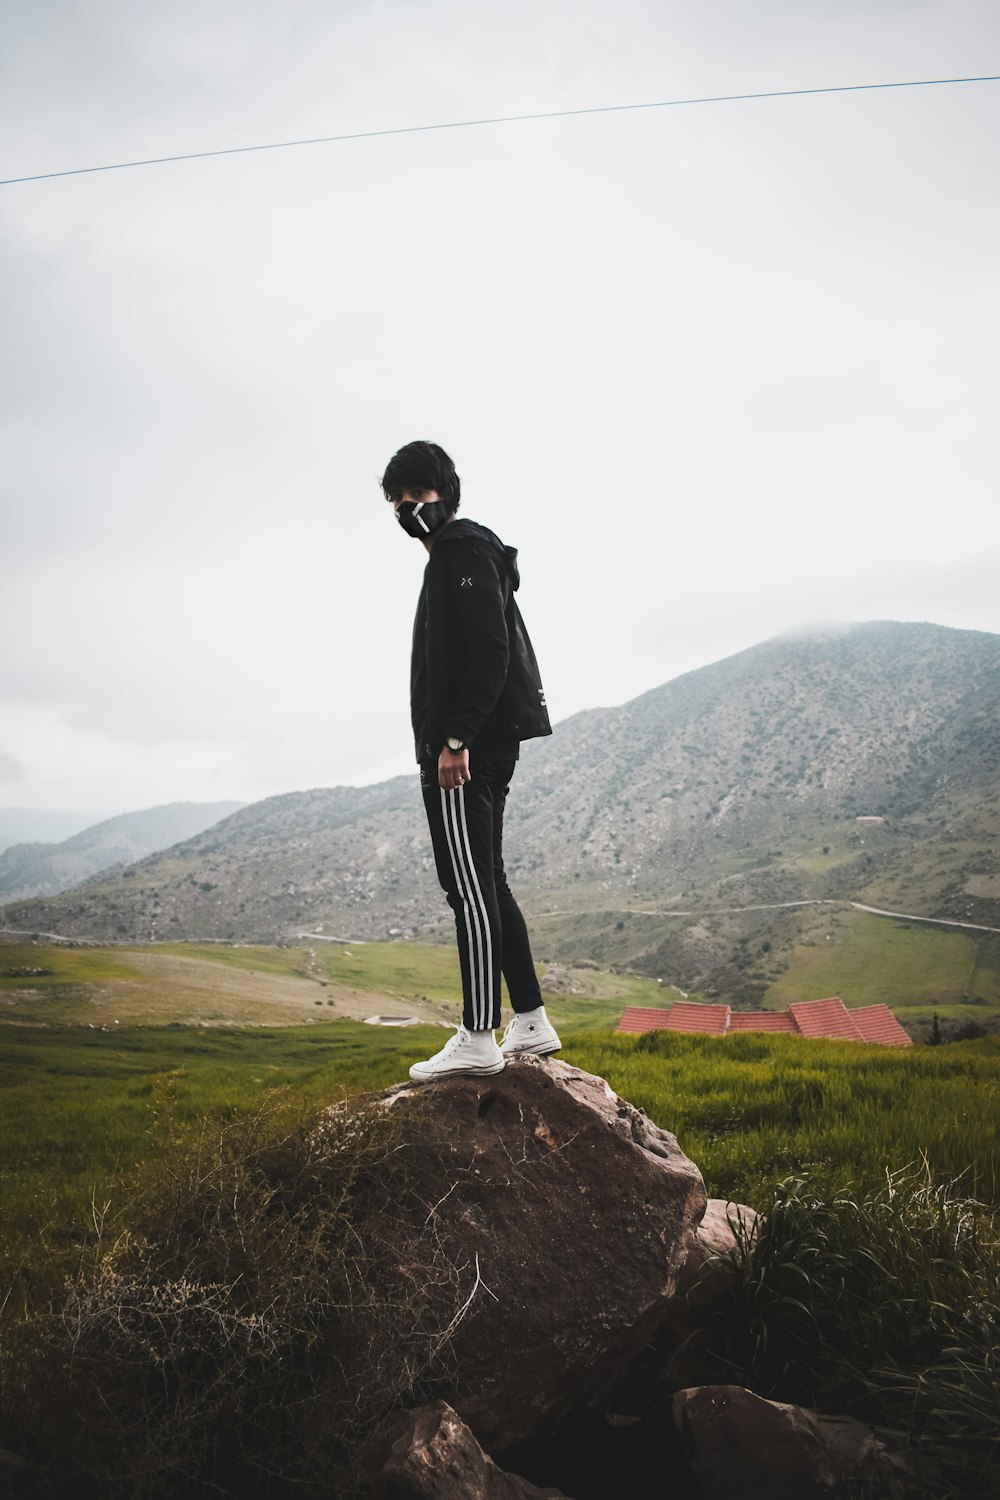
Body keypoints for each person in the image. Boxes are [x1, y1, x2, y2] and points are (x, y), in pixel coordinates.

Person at [381, 440, 560, 1081]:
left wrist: (453, 741)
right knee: (490, 882)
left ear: (446, 493)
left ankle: (479, 1035)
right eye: (398, 500)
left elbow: (490, 654)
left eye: (418, 495)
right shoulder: (466, 556)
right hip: (483, 743)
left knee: (469, 891)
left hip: (466, 750)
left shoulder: (459, 555)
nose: (409, 508)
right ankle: (532, 1022)